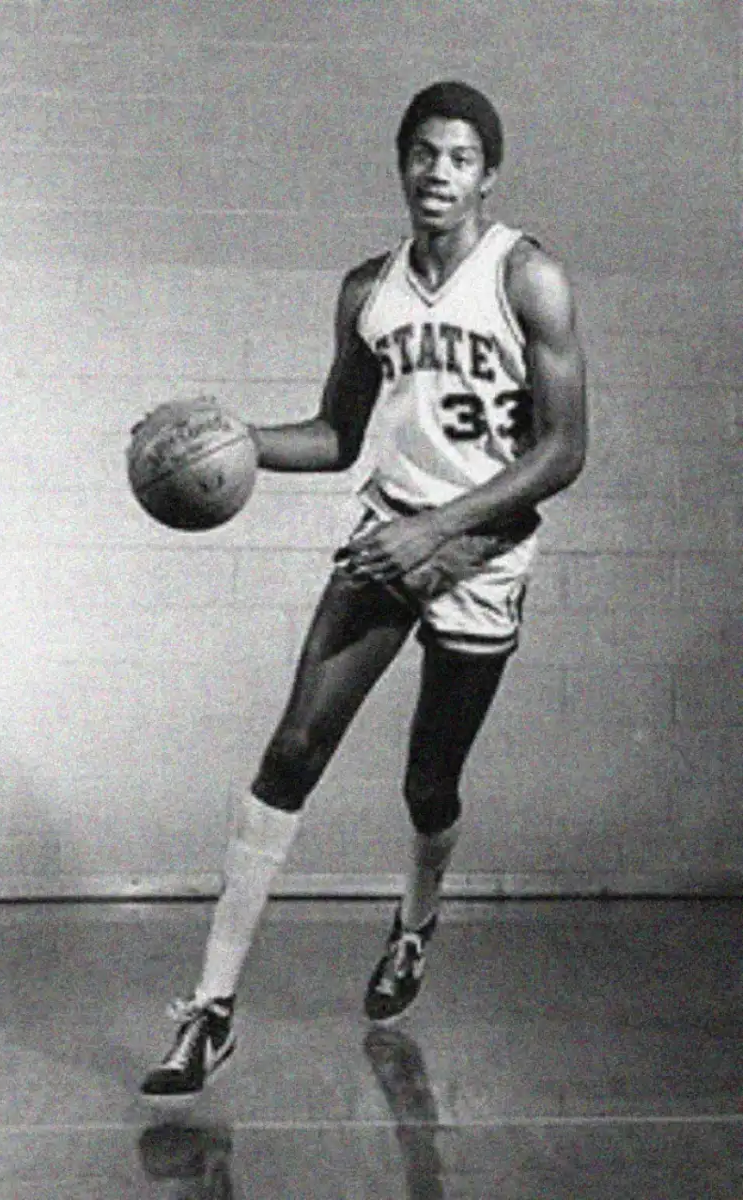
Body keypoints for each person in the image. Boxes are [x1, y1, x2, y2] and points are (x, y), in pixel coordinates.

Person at [141, 80, 587, 1101]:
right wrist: (235, 443)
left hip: (482, 549)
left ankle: (414, 922)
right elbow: (339, 435)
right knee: (293, 747)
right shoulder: (366, 291)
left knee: (427, 785)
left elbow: (566, 449)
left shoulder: (529, 278)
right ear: (399, 164)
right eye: (422, 154)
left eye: (461, 157)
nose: (439, 173)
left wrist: (445, 526)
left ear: (488, 173)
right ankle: (209, 1011)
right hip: (388, 538)